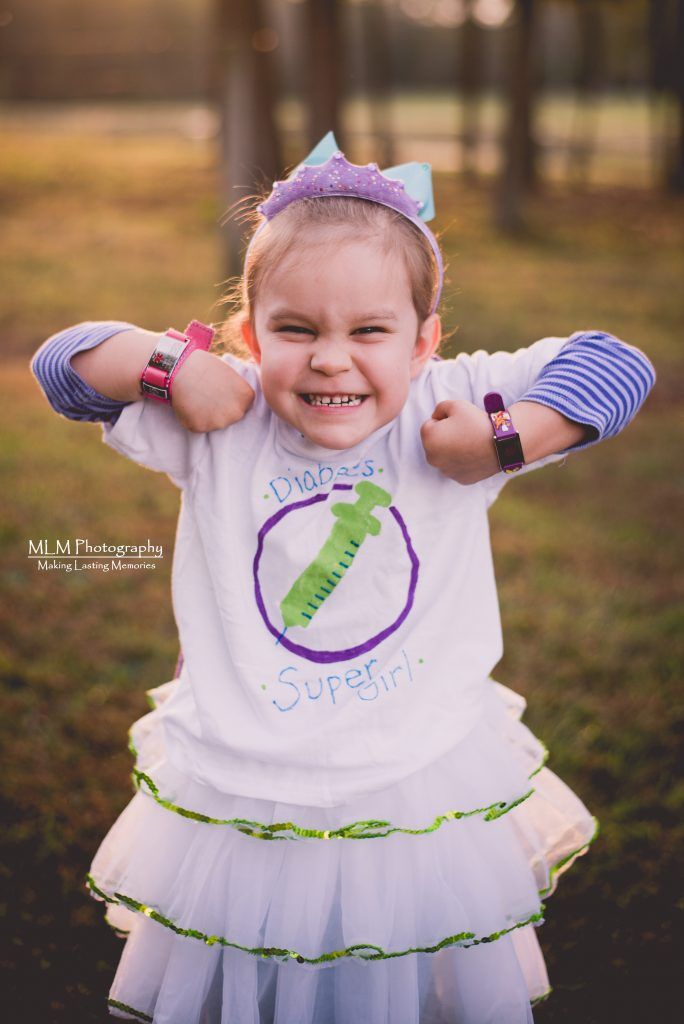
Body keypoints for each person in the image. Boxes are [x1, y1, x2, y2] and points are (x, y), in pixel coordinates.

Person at [31, 133, 655, 1024]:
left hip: (415, 775)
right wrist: (172, 367)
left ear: (424, 339)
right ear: (251, 332)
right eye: (296, 329)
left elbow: (620, 364)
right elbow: (63, 366)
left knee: (405, 986)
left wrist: (503, 439)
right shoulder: (225, 413)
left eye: (371, 330)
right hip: (242, 784)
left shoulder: (451, 395)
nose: (332, 359)